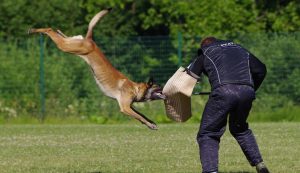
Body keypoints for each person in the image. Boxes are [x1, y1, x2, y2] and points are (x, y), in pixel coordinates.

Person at [186, 37, 269, 173]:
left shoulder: (206, 52)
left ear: (203, 47)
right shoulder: (239, 49)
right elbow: (261, 70)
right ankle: (261, 166)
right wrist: (250, 88)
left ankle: (211, 171)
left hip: (223, 92)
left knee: (208, 133)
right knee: (240, 128)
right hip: (247, 91)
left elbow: (190, 76)